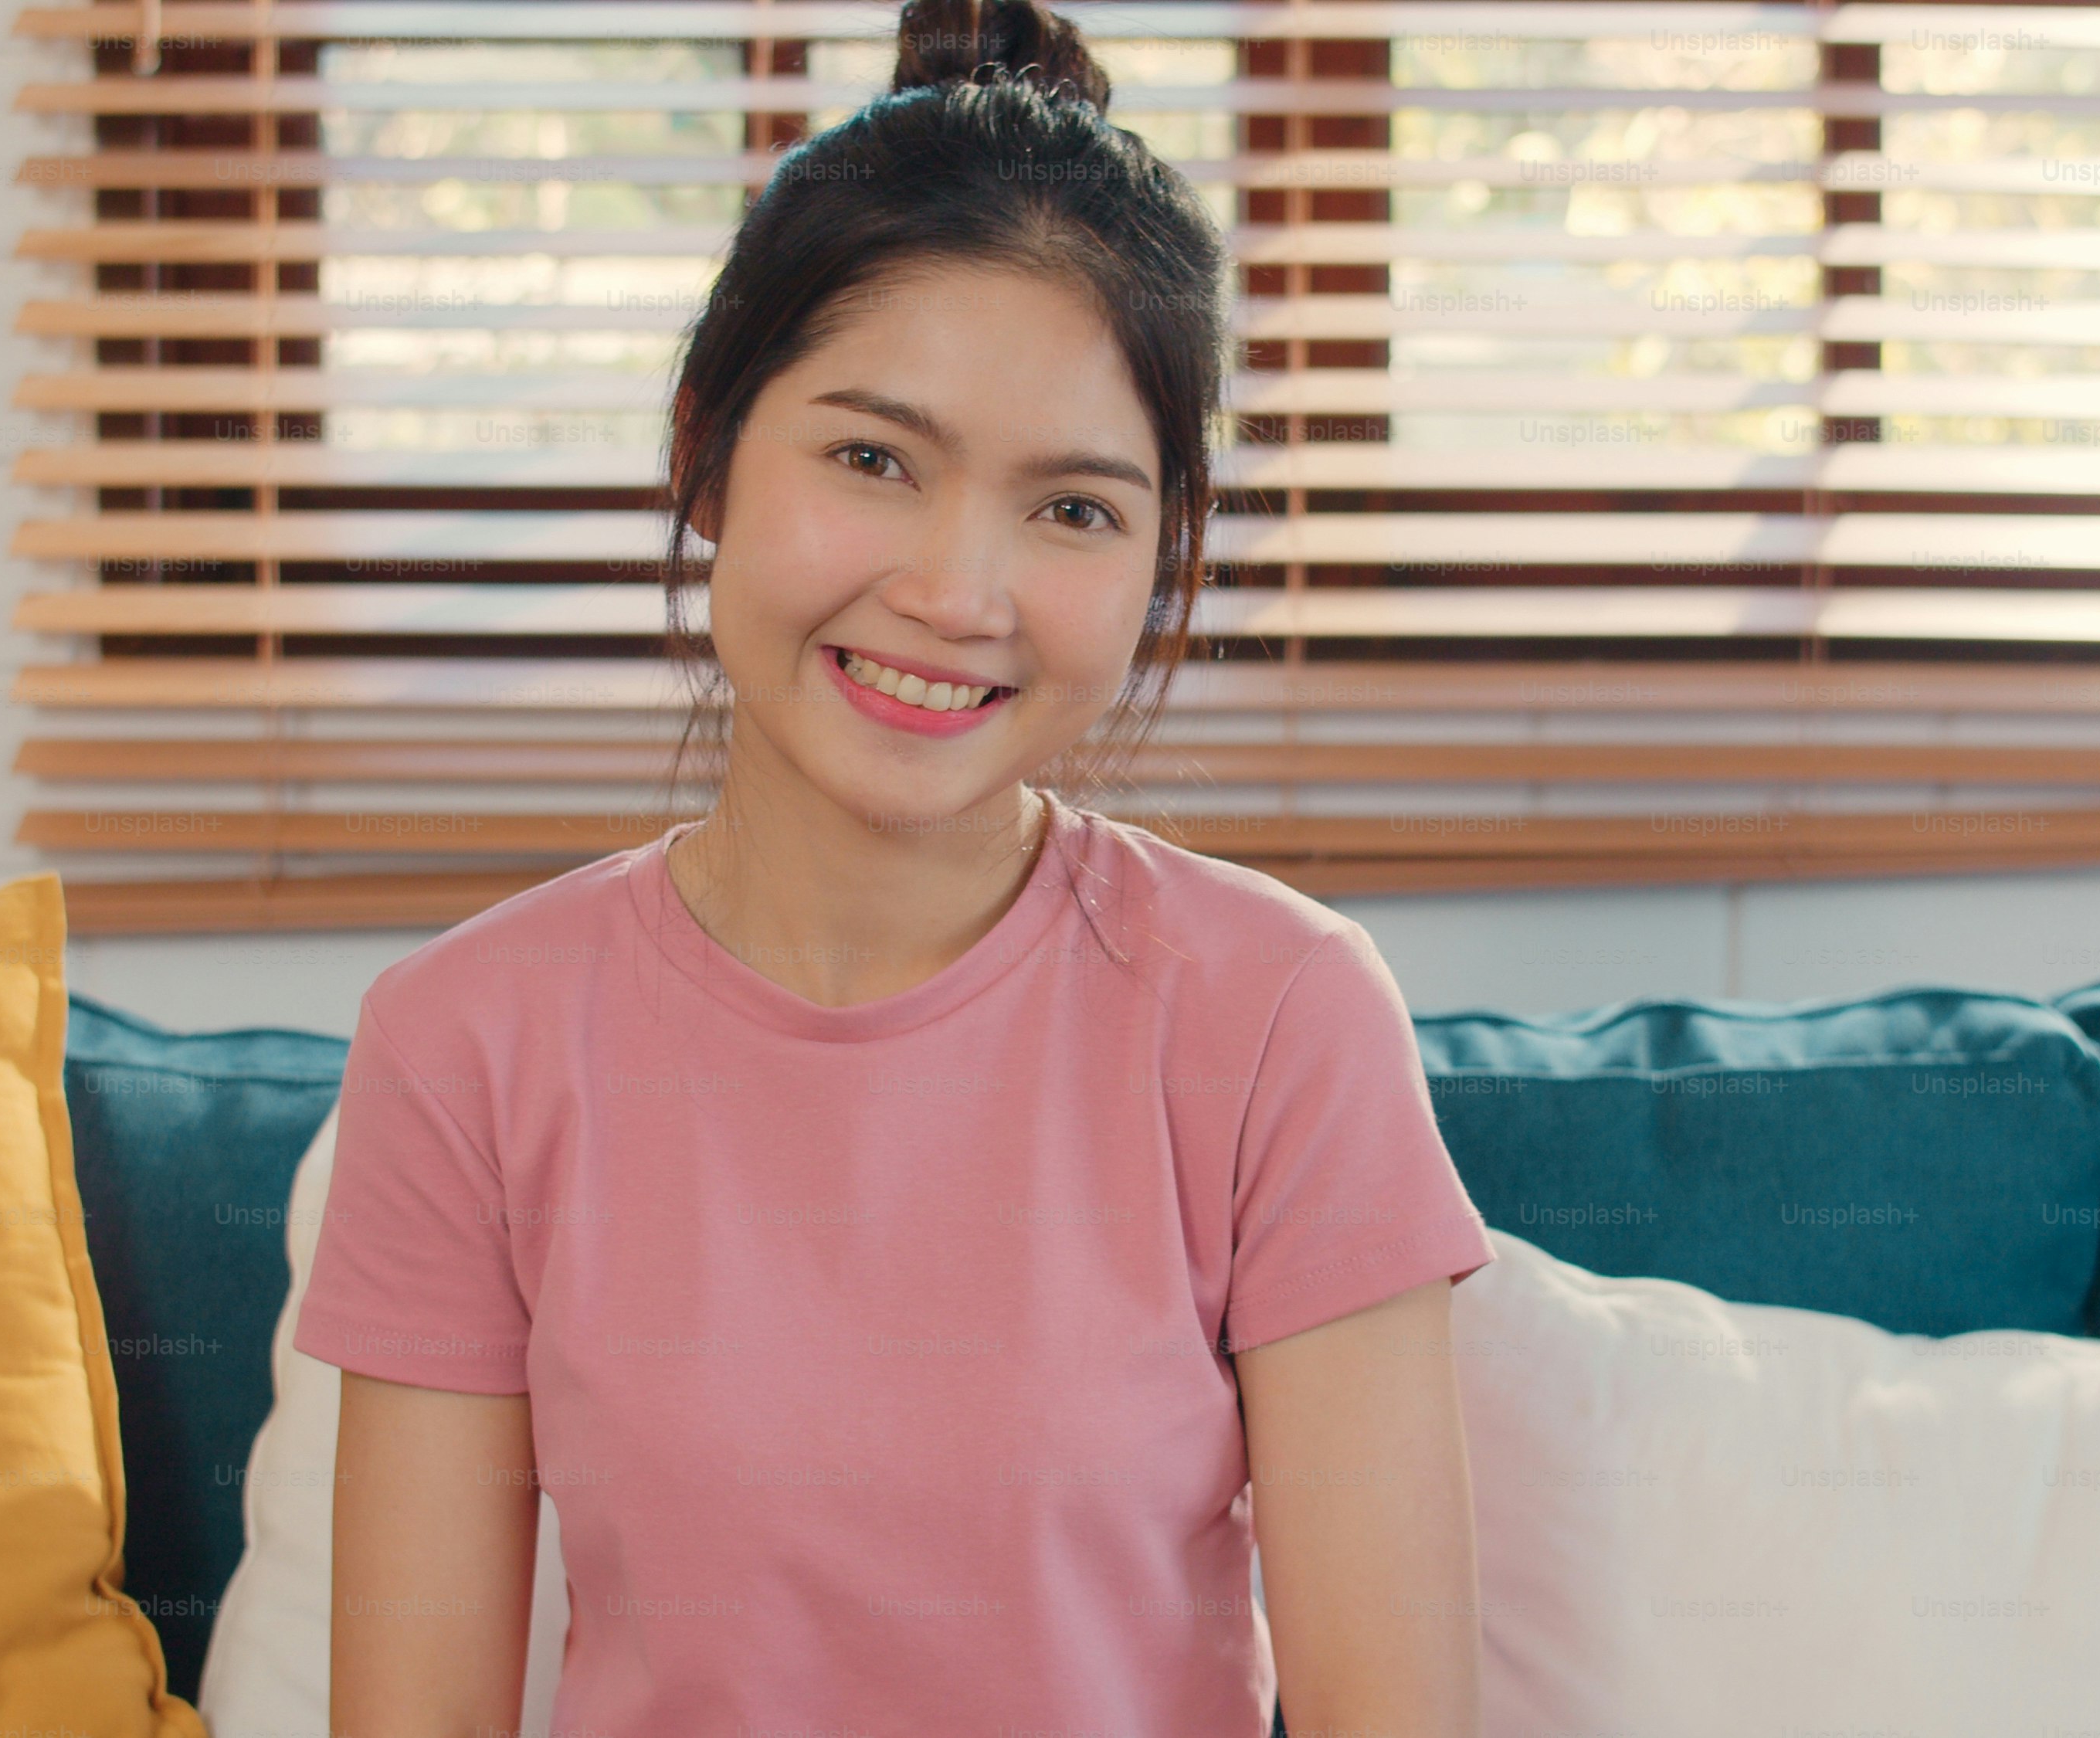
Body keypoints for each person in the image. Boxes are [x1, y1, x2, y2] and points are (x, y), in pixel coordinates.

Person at [297, 3, 1494, 1732]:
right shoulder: (463, 1044)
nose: (955, 594)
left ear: (1164, 559)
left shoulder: (1276, 1017)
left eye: (1071, 509)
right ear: (705, 454)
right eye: (873, 459)